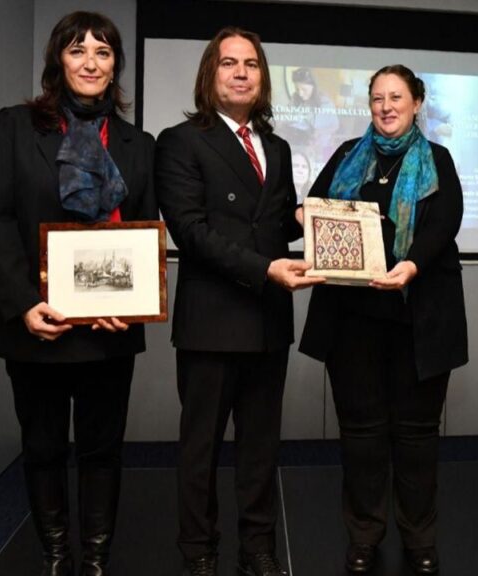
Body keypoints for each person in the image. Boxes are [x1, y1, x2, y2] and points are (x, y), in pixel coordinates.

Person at [0, 11, 158, 576]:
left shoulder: (137, 142)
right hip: (38, 323)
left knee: (103, 449)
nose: (90, 62)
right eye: (78, 50)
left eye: (103, 53)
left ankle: (96, 559)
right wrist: (23, 303)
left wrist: (126, 307)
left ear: (115, 66)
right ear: (58, 59)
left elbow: (143, 228)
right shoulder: (12, 126)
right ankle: (57, 556)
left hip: (109, 331)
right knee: (45, 447)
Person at [154, 27, 322, 576]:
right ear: (211, 74)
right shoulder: (179, 141)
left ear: (262, 77)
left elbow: (273, 222)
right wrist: (265, 268)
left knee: (260, 449)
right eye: (230, 63)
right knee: (200, 450)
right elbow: (190, 230)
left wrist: (316, 224)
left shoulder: (276, 145)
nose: (242, 72)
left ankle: (258, 549)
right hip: (211, 322)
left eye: (251, 63)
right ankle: (198, 552)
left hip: (268, 323)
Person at [299, 64, 468, 575]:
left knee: (417, 438)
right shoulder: (347, 155)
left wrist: (410, 266)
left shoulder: (437, 160)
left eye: (396, 97)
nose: (386, 106)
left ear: (417, 102)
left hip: (419, 321)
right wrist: (306, 217)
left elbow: (446, 222)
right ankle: (364, 536)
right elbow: (315, 207)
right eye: (377, 98)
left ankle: (420, 539)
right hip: (352, 323)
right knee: (362, 436)